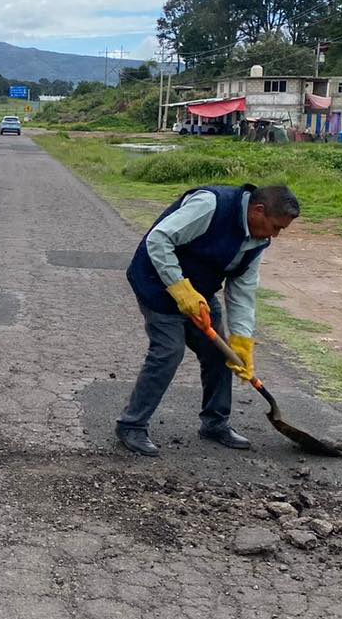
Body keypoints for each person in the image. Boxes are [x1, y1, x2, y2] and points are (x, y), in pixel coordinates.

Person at [115, 184, 300, 456]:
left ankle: (215, 423)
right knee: (168, 351)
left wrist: (241, 339)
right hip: (156, 281)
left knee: (220, 354)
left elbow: (242, 290)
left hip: (200, 292)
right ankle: (132, 425)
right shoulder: (211, 205)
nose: (275, 235)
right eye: (275, 227)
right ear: (258, 210)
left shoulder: (258, 240)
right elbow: (159, 239)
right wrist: (179, 288)